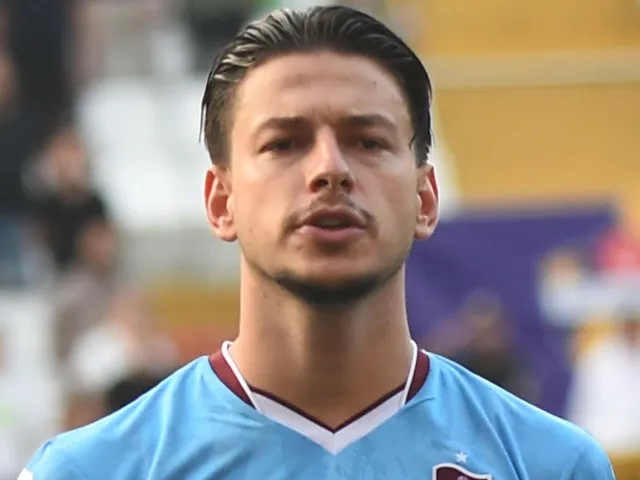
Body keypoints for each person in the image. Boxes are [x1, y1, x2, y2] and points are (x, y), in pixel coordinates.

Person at [20, 6, 615, 479]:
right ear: (221, 202)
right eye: (284, 143)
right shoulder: (88, 471)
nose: (330, 168)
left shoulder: (552, 466)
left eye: (368, 141)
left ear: (425, 198)